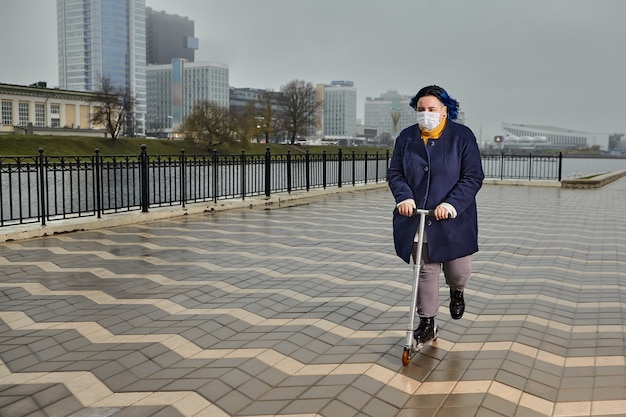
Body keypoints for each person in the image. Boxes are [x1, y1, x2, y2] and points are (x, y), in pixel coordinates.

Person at [387, 85, 484, 344]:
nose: (425, 114)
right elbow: (395, 172)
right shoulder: (407, 138)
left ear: (444, 111)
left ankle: (457, 291)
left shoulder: (462, 137)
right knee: (426, 271)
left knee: (458, 271)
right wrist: (404, 196)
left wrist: (452, 204)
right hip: (419, 217)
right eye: (421, 109)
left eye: (431, 109)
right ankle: (427, 322)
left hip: (453, 219)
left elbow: (473, 176)